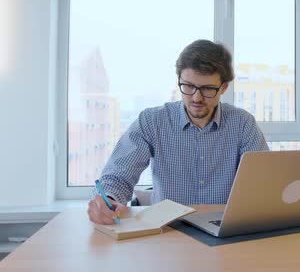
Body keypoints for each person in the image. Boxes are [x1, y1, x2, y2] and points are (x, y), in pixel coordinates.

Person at [87, 39, 269, 225]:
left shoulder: (242, 124)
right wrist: (107, 199)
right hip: (168, 231)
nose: (196, 98)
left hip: (223, 230)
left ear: (223, 88)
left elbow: (265, 180)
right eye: (188, 86)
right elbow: (118, 175)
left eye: (207, 89)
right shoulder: (152, 121)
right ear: (179, 81)